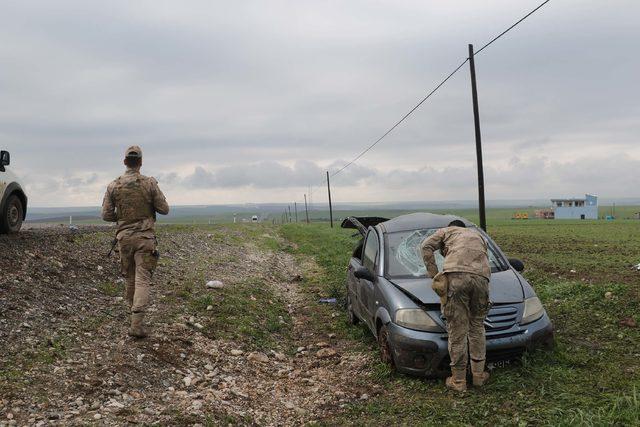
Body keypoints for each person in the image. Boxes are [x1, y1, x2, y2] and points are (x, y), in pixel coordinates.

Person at [101, 146, 169, 338]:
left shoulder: (114, 185)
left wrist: (124, 218)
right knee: (143, 279)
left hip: (125, 239)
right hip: (145, 238)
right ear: (140, 162)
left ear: (125, 162)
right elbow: (164, 209)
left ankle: (133, 317)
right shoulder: (149, 184)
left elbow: (106, 215)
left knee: (130, 278)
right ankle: (137, 324)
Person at [420, 219, 491, 392]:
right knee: (477, 327)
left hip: (456, 277)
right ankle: (478, 376)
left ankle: (458, 381)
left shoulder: (446, 231)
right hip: (482, 279)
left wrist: (435, 275)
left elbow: (426, 247)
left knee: (457, 329)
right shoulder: (478, 235)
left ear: (452, 226)